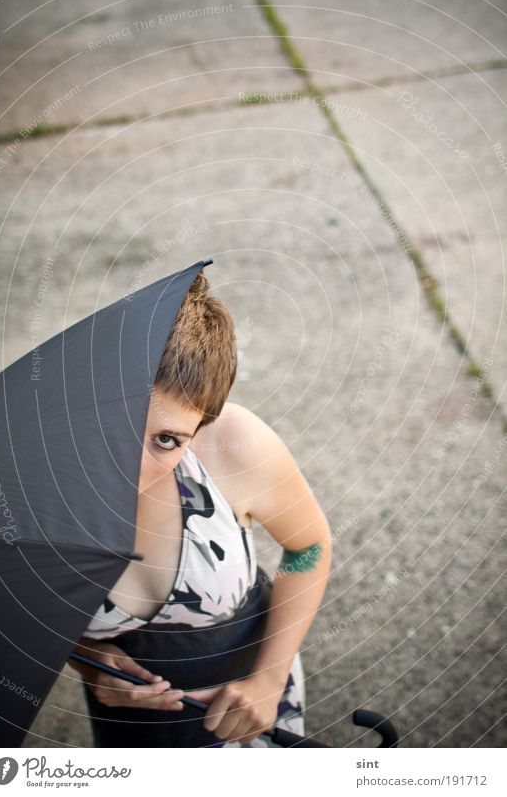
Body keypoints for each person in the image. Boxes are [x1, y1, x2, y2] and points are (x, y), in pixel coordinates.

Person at [69, 268, 332, 747]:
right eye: (117, 424)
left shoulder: (237, 446)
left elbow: (308, 548)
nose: (129, 463)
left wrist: (270, 681)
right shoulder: (28, 484)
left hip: (251, 713)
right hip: (134, 733)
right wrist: (89, 659)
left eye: (166, 440)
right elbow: (23, 607)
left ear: (202, 427)